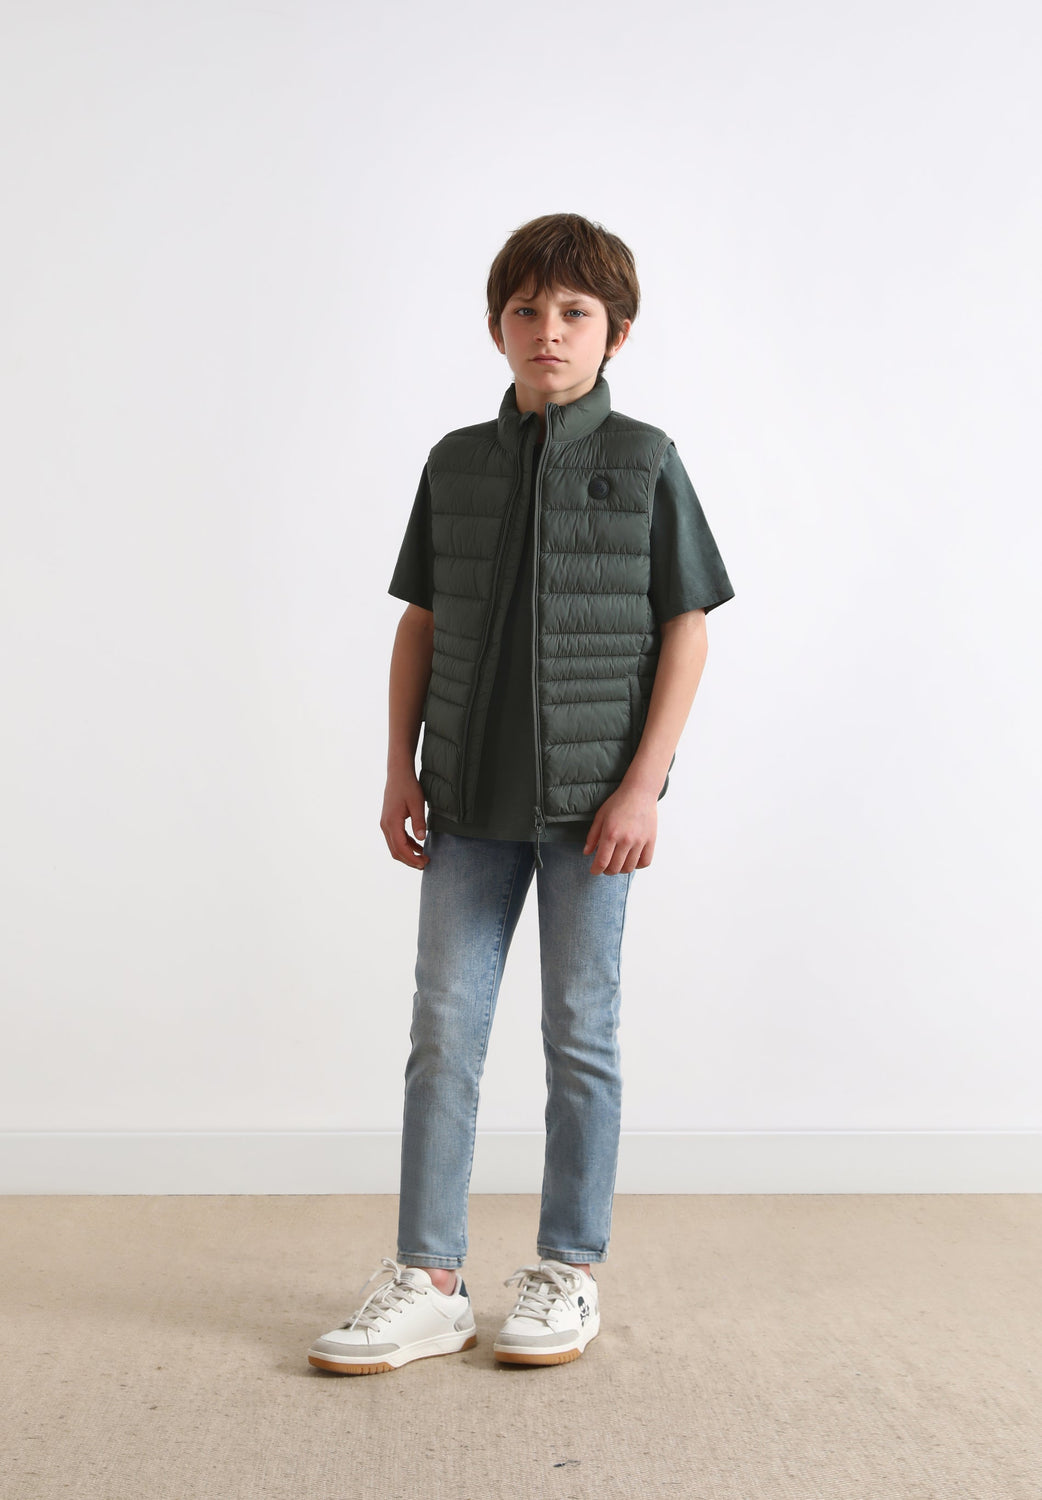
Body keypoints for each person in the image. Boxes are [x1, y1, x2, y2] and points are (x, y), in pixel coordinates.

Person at [308, 213, 734, 1376]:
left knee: (579, 1034)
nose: (549, 330)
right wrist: (398, 767)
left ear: (616, 333)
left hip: (595, 812)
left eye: (574, 312)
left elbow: (686, 629)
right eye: (526, 310)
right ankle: (430, 1280)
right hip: (466, 804)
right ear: (497, 327)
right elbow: (420, 622)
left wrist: (643, 787)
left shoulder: (646, 459)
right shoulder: (455, 463)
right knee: (442, 1031)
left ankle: (568, 1269)